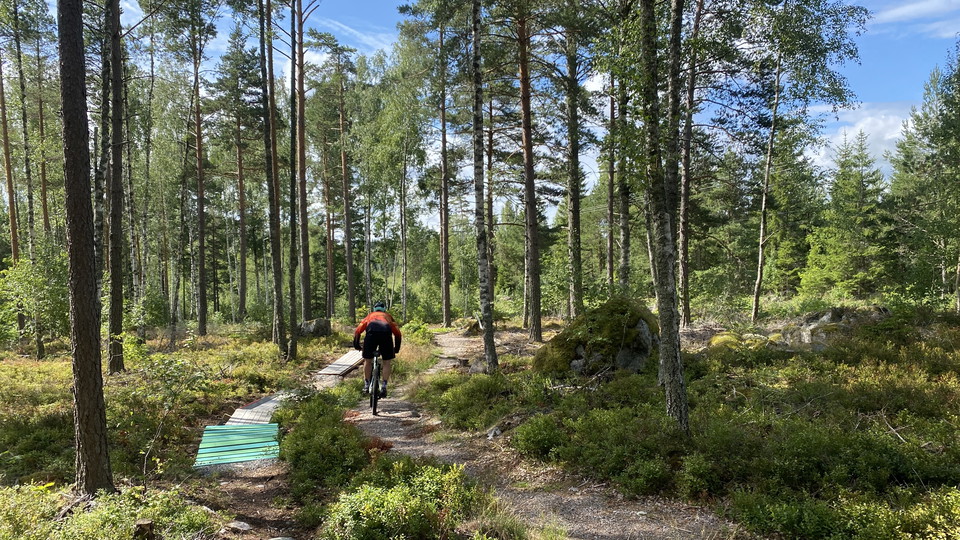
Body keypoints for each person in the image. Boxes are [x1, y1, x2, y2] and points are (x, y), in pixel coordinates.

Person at [353, 300, 402, 398]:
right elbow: (398, 334)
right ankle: (384, 386)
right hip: (385, 335)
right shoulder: (387, 316)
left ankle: (366, 384)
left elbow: (358, 331)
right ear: (384, 309)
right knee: (386, 362)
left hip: (371, 335)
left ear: (374, 309)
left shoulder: (370, 316)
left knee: (367, 360)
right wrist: (396, 349)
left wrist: (356, 345)